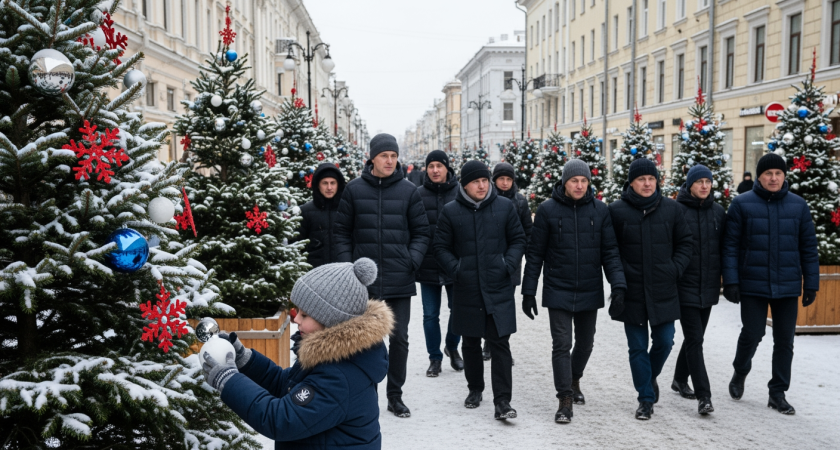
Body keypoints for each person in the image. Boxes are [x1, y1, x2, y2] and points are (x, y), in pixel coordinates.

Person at [203, 258, 393, 449]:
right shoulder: (330, 355)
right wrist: (246, 360)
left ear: (330, 320)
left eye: (305, 315)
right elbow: (285, 384)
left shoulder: (339, 376)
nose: (296, 320)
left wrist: (228, 380)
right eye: (297, 311)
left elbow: (281, 419)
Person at [334, 133, 430, 418]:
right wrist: (349, 269)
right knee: (364, 341)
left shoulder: (409, 191)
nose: (390, 161)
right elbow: (341, 233)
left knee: (399, 338)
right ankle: (365, 394)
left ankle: (395, 395)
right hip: (364, 283)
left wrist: (410, 260)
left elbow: (422, 233)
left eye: (393, 156)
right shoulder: (353, 190)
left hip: (399, 280)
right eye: (384, 156)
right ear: (372, 158)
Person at [522, 159, 626, 424]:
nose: (579, 186)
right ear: (564, 182)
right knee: (561, 344)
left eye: (583, 181)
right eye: (574, 181)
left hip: (589, 287)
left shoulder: (600, 211)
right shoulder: (547, 210)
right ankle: (565, 398)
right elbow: (535, 254)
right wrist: (529, 290)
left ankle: (575, 377)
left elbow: (610, 252)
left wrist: (618, 285)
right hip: (558, 287)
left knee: (586, 342)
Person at [722, 153, 819, 415]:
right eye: (768, 174)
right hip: (752, 283)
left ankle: (777, 392)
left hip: (787, 284)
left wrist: (811, 284)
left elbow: (808, 248)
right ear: (759, 176)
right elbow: (730, 246)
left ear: (785, 176)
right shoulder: (742, 204)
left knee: (785, 340)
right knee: (753, 333)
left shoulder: (798, 206)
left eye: (778, 173)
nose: (773, 178)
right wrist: (730, 280)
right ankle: (740, 371)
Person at [433, 160, 527, 420]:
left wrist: (507, 264)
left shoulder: (505, 207)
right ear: (465, 184)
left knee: (500, 343)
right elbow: (440, 247)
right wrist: (458, 269)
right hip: (467, 287)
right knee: (471, 342)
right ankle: (475, 389)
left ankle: (503, 401)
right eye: (476, 181)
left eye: (485, 180)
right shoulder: (451, 211)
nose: (482, 185)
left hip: (498, 285)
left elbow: (518, 239)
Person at [608, 158, 693, 420]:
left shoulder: (672, 209)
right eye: (641, 179)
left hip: (663, 289)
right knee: (637, 347)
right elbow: (611, 251)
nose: (647, 183)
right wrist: (619, 282)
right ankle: (645, 399)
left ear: (657, 181)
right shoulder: (616, 211)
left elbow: (686, 243)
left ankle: (650, 376)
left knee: (665, 341)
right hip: (631, 291)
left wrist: (674, 269)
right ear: (631, 182)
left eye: (651, 179)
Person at [671, 165, 725, 416]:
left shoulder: (718, 212)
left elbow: (725, 249)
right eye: (699, 181)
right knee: (695, 339)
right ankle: (704, 396)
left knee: (696, 337)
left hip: (709, 286)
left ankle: (679, 379)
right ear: (689, 185)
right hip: (684, 286)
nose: (704, 186)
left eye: (708, 181)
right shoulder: (676, 211)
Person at [416, 150, 463, 377]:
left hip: (455, 263)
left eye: (439, 166)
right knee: (430, 314)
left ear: (447, 168)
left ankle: (452, 346)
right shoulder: (417, 194)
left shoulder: (460, 192)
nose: (435, 170)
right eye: (431, 166)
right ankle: (435, 357)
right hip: (427, 263)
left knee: (459, 310)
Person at [487, 162, 533, 360]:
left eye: (508, 179)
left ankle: (500, 345)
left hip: (511, 262)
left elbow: (527, 231)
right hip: (489, 260)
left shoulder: (520, 201)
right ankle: (488, 343)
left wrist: (524, 253)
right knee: (488, 303)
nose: (505, 183)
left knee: (505, 305)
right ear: (494, 180)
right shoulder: (487, 198)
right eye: (501, 179)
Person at [297, 163, 347, 268]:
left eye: (333, 183)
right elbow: (297, 246)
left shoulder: (347, 210)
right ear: (317, 185)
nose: (329, 187)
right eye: (325, 183)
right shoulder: (305, 211)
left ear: (339, 184)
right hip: (313, 272)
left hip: (342, 271)